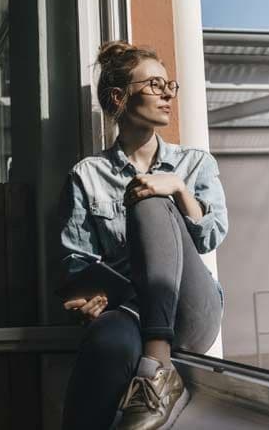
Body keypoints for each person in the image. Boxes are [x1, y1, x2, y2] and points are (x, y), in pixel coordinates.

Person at [60, 40, 227, 430]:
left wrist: (179, 190)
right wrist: (89, 297)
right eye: (155, 85)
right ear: (119, 97)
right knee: (106, 345)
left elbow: (211, 236)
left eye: (170, 85)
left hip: (190, 312)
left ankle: (157, 371)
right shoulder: (87, 174)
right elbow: (77, 260)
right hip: (128, 308)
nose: (167, 94)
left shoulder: (194, 163)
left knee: (148, 198)